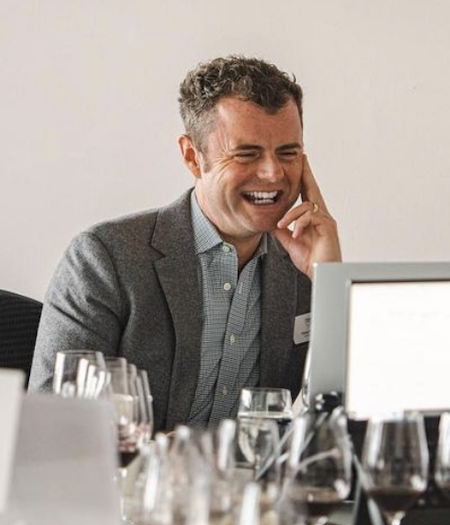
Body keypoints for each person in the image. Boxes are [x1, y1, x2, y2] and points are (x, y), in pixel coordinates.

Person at [29, 55, 341, 431]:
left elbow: (338, 426)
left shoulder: (306, 267)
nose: (273, 173)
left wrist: (330, 284)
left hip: (254, 489)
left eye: (288, 153)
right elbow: (54, 432)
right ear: (193, 157)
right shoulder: (103, 259)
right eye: (247, 153)